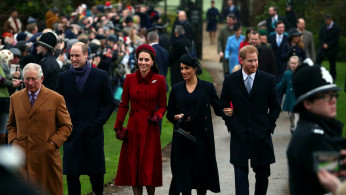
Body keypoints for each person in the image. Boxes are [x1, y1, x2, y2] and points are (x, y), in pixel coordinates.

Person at [56, 42, 115, 195]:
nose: (74, 59)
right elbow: (56, 104)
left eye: (77, 55)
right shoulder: (63, 77)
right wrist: (63, 124)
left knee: (96, 176)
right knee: (72, 176)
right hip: (71, 133)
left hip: (92, 134)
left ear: (86, 55)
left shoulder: (100, 76)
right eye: (71, 56)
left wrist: (98, 122)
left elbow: (109, 103)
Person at [221, 45, 281, 195]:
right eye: (250, 61)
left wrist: (268, 126)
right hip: (239, 135)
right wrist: (231, 124)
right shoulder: (230, 80)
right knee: (240, 178)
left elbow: (275, 107)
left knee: (263, 176)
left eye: (256, 60)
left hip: (261, 135)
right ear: (241, 60)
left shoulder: (268, 80)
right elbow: (222, 105)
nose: (254, 64)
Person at [7, 63, 72, 195]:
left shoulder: (56, 98)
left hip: (46, 159)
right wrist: (14, 142)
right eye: (27, 79)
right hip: (22, 159)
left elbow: (66, 126)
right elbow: (11, 125)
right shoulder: (15, 98)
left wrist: (53, 143)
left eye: (34, 79)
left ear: (41, 79)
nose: (30, 83)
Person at [167, 48, 222, 195]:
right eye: (181, 68)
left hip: (202, 140)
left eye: (187, 68)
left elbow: (218, 109)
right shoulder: (176, 89)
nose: (183, 71)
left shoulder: (207, 87)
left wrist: (230, 111)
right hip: (182, 139)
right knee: (183, 179)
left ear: (195, 68)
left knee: (201, 179)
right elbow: (169, 113)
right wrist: (176, 117)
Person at [113, 44, 167, 195]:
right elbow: (123, 105)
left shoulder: (160, 80)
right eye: (140, 59)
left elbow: (163, 105)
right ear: (137, 60)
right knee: (134, 168)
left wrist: (158, 115)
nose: (143, 62)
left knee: (149, 168)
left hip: (150, 128)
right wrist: (118, 126)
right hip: (133, 128)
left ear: (152, 62)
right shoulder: (129, 79)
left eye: (146, 60)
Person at [286, 63, 344, 195]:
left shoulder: (319, 128)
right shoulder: (312, 138)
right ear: (307, 103)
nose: (333, 100)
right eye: (326, 96)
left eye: (334, 94)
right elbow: (335, 176)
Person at [0, 49, 21, 145]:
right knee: (3, 127)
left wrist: (12, 78)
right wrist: (13, 83)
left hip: (3, 98)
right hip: (2, 98)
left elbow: (4, 77)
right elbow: (2, 80)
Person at [276, 56, 300, 133]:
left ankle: (296, 130)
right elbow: (282, 84)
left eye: (295, 63)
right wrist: (273, 88)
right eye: (292, 63)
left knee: (297, 114)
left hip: (297, 96)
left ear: (298, 64)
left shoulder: (300, 73)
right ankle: (292, 124)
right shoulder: (287, 73)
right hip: (289, 97)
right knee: (290, 115)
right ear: (289, 64)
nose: (293, 65)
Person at [316, 15, 340, 80]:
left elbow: (336, 39)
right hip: (323, 47)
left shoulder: (336, 28)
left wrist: (328, 45)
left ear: (331, 20)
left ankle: (333, 76)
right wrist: (323, 44)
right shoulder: (323, 26)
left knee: (332, 63)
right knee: (318, 61)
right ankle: (315, 73)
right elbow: (320, 36)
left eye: (328, 22)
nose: (326, 23)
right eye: (325, 22)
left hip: (332, 48)